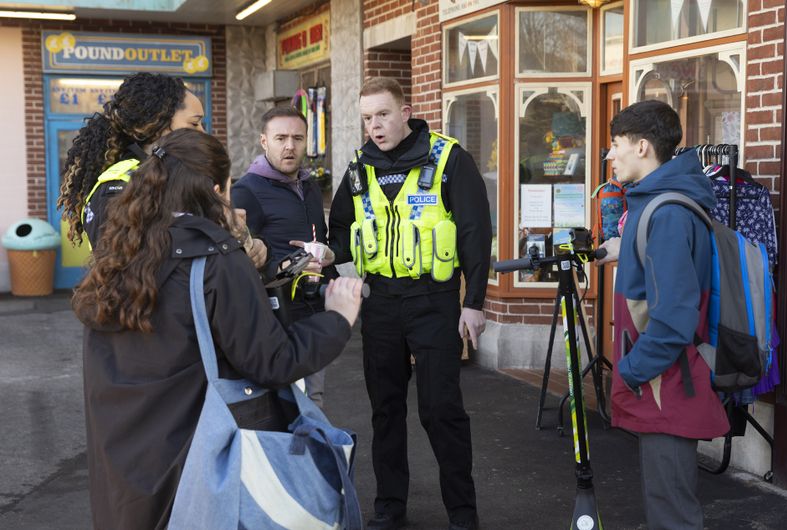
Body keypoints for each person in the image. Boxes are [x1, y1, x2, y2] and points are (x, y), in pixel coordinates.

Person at [72, 128, 363, 530]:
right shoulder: (215, 259)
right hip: (196, 466)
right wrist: (338, 318)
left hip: (123, 467)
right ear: (215, 189)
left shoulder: (118, 255)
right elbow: (271, 361)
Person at [329, 77, 491, 530]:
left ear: (406, 111)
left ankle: (462, 512)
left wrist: (473, 302)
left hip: (433, 299)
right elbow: (341, 230)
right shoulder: (360, 166)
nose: (374, 126)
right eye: (366, 118)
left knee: (440, 408)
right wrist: (327, 253)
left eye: (382, 114)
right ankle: (389, 506)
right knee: (385, 408)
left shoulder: (448, 158)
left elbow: (476, 232)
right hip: (379, 300)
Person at [603, 100, 729, 530]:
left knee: (672, 514)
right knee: (665, 505)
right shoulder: (658, 204)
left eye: (615, 145)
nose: (610, 155)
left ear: (641, 147)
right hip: (666, 381)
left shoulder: (668, 212)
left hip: (667, 383)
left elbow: (674, 316)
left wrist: (631, 371)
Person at [56, 72, 266, 267]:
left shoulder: (186, 176)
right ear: (156, 124)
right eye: (194, 124)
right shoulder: (118, 185)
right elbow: (134, 268)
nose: (204, 134)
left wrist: (247, 243)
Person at [232, 106, 336, 407]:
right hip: (277, 316)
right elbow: (245, 259)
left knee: (313, 399)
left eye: (297, 138)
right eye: (280, 138)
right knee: (285, 402)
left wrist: (327, 257)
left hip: (315, 308)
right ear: (264, 141)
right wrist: (287, 264)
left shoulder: (310, 186)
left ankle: (307, 454)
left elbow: (320, 239)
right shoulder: (246, 191)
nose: (290, 146)